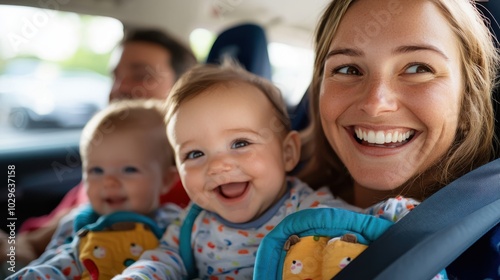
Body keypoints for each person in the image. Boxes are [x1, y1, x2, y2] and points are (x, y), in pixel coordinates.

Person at [297, 0, 499, 278]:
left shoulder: (488, 256)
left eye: (418, 68)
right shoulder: (267, 202)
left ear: (468, 102)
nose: (375, 103)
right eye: (348, 69)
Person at [110, 62, 336, 279]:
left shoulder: (312, 210)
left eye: (240, 143)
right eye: (195, 154)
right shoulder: (193, 223)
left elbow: (360, 229)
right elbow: (164, 259)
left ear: (287, 153)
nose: (217, 165)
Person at [0, 27, 197, 268]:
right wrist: (21, 243)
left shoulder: (186, 181)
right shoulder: (108, 161)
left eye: (140, 76)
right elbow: (61, 222)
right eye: (115, 77)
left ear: (183, 88)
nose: (119, 89)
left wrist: (25, 247)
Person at [6, 99, 183, 279]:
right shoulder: (76, 222)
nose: (109, 182)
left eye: (129, 170)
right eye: (96, 170)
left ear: (166, 180)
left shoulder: (175, 225)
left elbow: (173, 265)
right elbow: (56, 263)